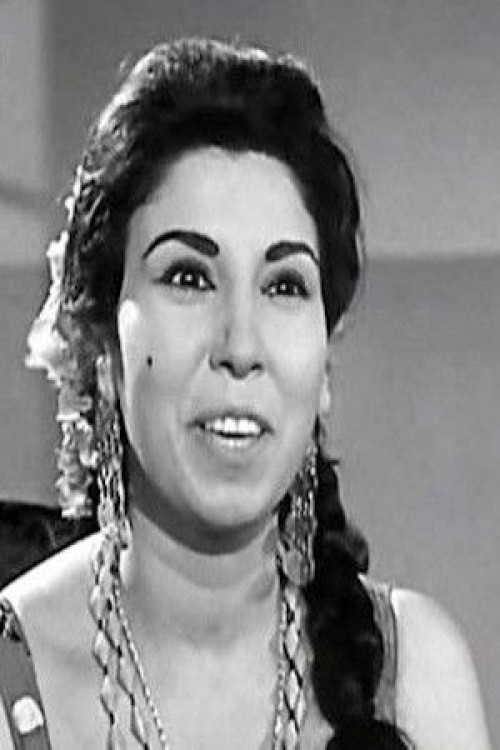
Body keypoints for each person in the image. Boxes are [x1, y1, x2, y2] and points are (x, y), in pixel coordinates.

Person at [0, 38, 491, 750]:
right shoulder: (15, 682)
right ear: (102, 346)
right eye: (188, 278)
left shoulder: (418, 678)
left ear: (324, 366)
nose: (240, 345)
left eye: (284, 285)